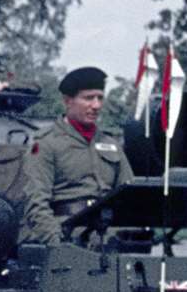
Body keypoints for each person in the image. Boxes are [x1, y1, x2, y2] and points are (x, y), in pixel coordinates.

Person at [20, 65, 128, 245]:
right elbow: (35, 204)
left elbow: (128, 196)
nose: (96, 105)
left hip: (108, 239)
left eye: (100, 98)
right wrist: (57, 242)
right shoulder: (46, 143)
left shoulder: (112, 145)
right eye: (88, 98)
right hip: (66, 236)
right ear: (68, 101)